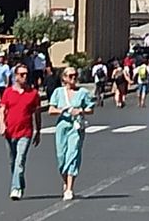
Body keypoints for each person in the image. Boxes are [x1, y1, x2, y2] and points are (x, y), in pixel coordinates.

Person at [47, 67, 95, 201]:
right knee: (61, 157)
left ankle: (69, 188)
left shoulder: (83, 92)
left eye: (75, 75)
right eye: (70, 76)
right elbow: (51, 109)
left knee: (73, 154)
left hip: (76, 127)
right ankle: (65, 179)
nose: (74, 78)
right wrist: (63, 110)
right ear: (64, 78)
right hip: (62, 126)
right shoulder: (58, 92)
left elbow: (91, 108)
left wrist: (81, 111)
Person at [0, 63, 41, 201]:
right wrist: (2, 125)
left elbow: (37, 113)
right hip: (10, 132)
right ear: (16, 76)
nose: (25, 77)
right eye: (22, 74)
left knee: (20, 160)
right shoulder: (8, 92)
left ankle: (15, 188)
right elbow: (2, 110)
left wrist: (38, 131)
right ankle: (20, 184)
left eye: (26, 74)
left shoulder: (33, 94)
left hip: (26, 132)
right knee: (12, 161)